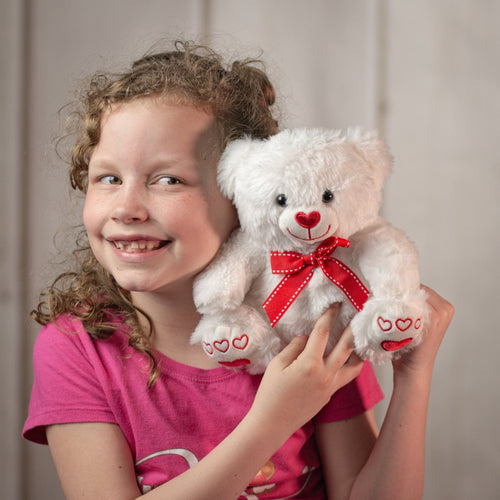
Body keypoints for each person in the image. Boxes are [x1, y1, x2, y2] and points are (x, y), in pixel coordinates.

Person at [22, 41, 454, 500]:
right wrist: (274, 421)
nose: (126, 207)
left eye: (168, 179)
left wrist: (414, 374)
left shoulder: (310, 327)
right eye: (108, 178)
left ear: (242, 199)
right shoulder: (78, 348)